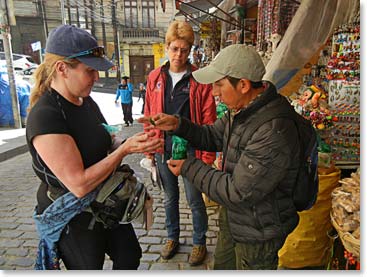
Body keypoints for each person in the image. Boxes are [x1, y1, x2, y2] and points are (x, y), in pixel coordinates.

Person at [139, 44, 301, 270]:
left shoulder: (273, 129)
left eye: (219, 85)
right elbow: (212, 135)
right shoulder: (244, 110)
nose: (214, 92)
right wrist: (178, 124)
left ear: (243, 85)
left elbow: (238, 191)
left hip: (258, 231)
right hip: (235, 220)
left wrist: (189, 167)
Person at [26, 25, 162, 270]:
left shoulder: (85, 101)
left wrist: (136, 142)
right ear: (62, 69)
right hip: (74, 214)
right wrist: (124, 150)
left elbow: (104, 143)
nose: (97, 78)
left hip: (105, 200)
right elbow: (78, 184)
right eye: (90, 71)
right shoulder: (46, 116)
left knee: (129, 255)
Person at [142, 20, 217, 266]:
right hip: (164, 147)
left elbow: (208, 119)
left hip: (191, 149)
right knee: (169, 198)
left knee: (195, 199)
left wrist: (207, 157)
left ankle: (199, 242)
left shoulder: (198, 80)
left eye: (184, 50)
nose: (179, 55)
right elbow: (149, 114)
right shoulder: (155, 77)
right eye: (174, 49)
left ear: (190, 50)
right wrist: (150, 148)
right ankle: (172, 238)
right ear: (167, 47)